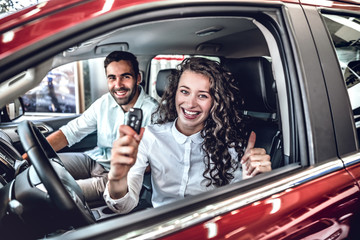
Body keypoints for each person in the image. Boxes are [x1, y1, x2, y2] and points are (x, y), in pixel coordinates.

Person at [103, 57, 271, 213]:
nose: (190, 103)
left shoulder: (231, 144)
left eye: (203, 95)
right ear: (174, 93)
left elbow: (239, 207)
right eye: (184, 92)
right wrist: (117, 178)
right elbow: (124, 206)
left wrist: (253, 184)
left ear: (216, 102)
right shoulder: (150, 136)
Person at [44, 51, 158, 201]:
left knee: (55, 193)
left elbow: (154, 163)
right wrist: (27, 156)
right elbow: (70, 132)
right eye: (112, 78)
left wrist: (120, 170)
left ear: (138, 78)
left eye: (125, 76)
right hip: (94, 159)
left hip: (117, 174)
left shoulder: (154, 112)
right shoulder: (105, 102)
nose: (118, 85)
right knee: (45, 165)